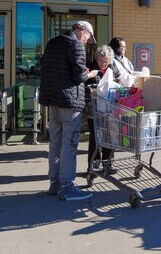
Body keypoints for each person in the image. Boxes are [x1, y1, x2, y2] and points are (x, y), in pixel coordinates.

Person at [39, 21, 96, 201]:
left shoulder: (52, 43)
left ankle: (54, 182)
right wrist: (90, 74)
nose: (87, 41)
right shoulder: (76, 44)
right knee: (69, 144)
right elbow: (79, 76)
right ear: (83, 32)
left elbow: (49, 68)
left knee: (55, 143)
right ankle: (67, 186)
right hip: (70, 103)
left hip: (53, 100)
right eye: (88, 37)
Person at [85, 45, 121, 176]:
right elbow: (82, 84)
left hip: (109, 107)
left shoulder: (113, 67)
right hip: (93, 107)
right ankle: (93, 165)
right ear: (97, 58)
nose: (103, 64)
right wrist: (90, 91)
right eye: (101, 61)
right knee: (95, 136)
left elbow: (119, 80)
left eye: (106, 61)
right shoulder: (89, 67)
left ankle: (107, 163)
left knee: (109, 135)